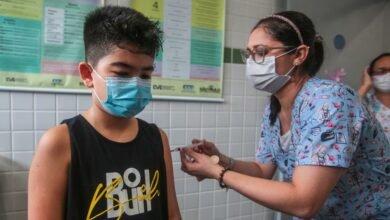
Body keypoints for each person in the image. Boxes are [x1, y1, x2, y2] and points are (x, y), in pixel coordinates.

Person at [180, 11, 390, 219]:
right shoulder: (274, 108)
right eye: (249, 54)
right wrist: (220, 160)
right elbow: (262, 170)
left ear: (299, 55)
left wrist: (218, 172)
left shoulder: (330, 101)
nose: (252, 62)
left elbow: (304, 203)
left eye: (261, 52)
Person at [28, 6, 181, 220]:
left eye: (145, 76)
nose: (136, 85)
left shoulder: (157, 139)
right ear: (88, 74)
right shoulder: (59, 142)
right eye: (122, 73)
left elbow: (172, 215)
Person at [358, 53, 390, 140]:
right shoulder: (363, 101)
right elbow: (345, 114)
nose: (388, 75)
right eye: (382, 71)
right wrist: (365, 86)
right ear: (370, 75)